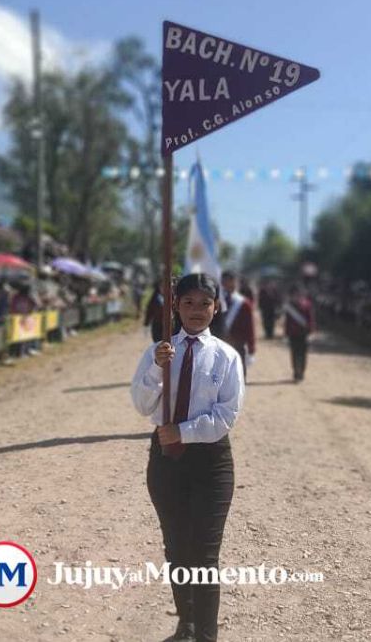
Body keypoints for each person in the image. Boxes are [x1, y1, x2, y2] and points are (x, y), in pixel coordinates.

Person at [130, 273, 243, 642]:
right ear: (175, 305)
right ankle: (187, 624)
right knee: (176, 548)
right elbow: (142, 404)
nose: (197, 310)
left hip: (211, 463)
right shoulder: (158, 352)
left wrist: (185, 431)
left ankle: (207, 636)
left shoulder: (226, 357)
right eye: (189, 302)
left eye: (205, 303)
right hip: (167, 459)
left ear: (216, 307)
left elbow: (226, 417)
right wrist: (155, 370)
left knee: (205, 556)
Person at [212, 271, 257, 380]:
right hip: (219, 346)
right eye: (225, 281)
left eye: (231, 281)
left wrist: (251, 348)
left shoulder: (244, 303)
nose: (228, 284)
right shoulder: (215, 301)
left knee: (239, 378)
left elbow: (250, 327)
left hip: (237, 345)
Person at [283, 283, 315, 382]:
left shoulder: (307, 305)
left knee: (303, 354)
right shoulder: (289, 307)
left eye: (297, 294)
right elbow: (287, 322)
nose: (296, 296)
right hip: (293, 334)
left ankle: (302, 371)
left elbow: (310, 319)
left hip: (304, 334)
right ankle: (296, 372)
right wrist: (286, 334)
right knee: (294, 353)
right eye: (293, 294)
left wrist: (311, 331)